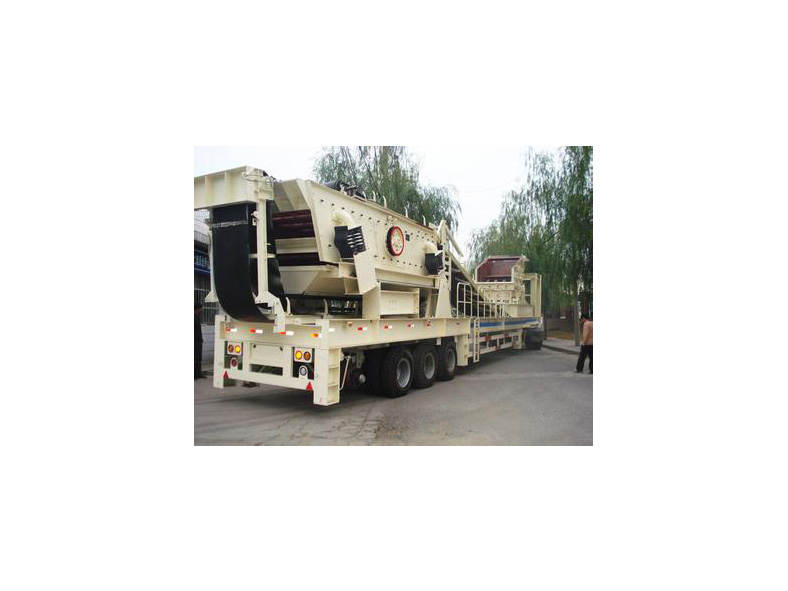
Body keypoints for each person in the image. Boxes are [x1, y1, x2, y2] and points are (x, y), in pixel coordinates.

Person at [195, 301, 206, 379]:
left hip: (198, 341)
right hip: (195, 341)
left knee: (199, 358)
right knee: (195, 359)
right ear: (197, 309)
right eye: (200, 308)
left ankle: (198, 374)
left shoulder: (197, 317)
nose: (202, 310)